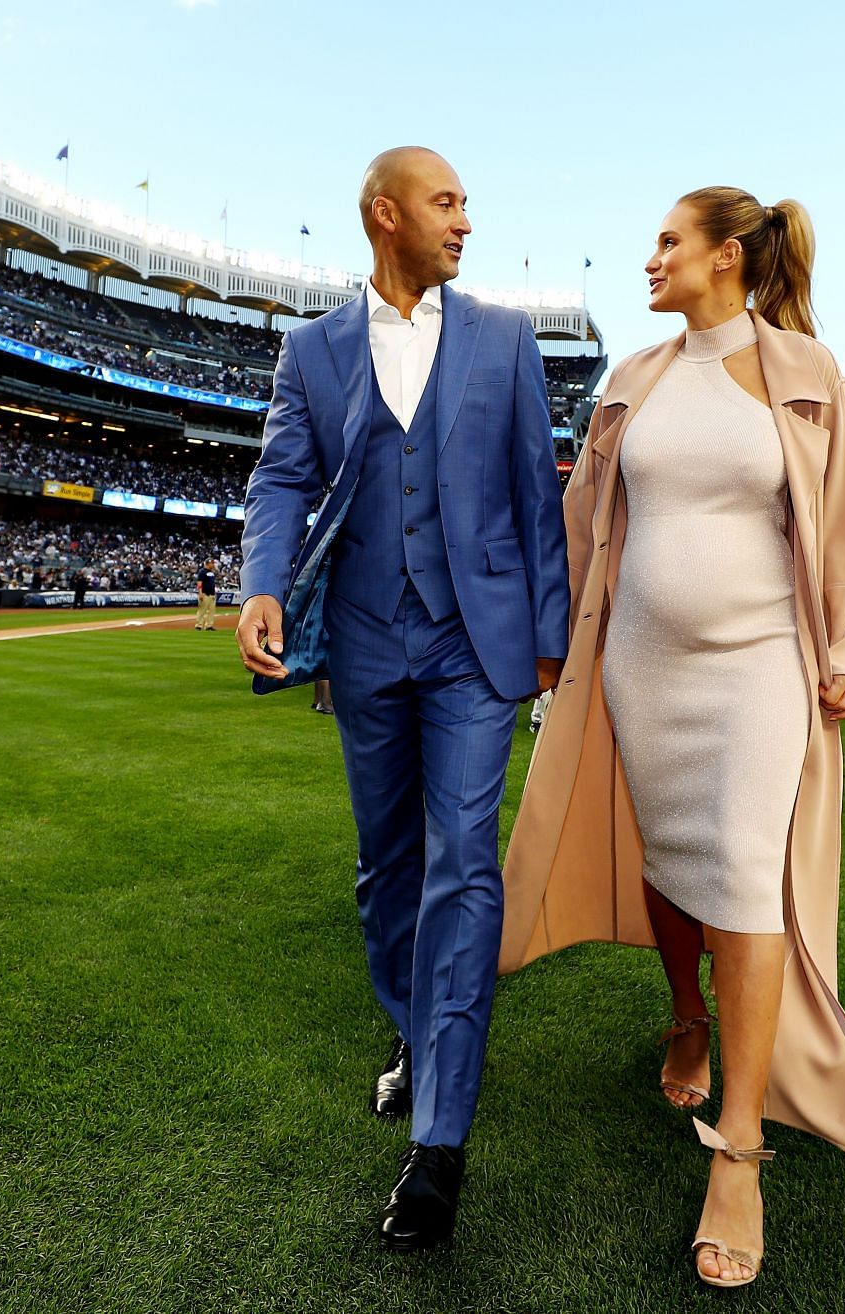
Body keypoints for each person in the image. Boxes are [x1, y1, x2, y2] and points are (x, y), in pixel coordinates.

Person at [501, 187, 845, 1289]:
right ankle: (687, 1019)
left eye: (668, 241)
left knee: (744, 873)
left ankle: (741, 1152)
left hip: (764, 662)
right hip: (639, 663)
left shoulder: (808, 371)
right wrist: (552, 640)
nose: (652, 258)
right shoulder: (632, 377)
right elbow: (583, 516)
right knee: (672, 861)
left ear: (727, 257)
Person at [238, 147, 569, 1251]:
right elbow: (282, 477)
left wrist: (552, 643)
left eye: (468, 202)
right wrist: (262, 586)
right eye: (447, 202)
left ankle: (440, 1142)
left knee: (464, 861)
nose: (466, 221)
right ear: (387, 215)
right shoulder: (311, 350)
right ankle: (412, 1030)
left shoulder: (507, 339)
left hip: (478, 647)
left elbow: (537, 495)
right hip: (367, 647)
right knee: (387, 865)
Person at [193, 558, 219, 630]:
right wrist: (200, 593)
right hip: (205, 594)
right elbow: (199, 583)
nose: (213, 565)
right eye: (212, 563)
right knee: (202, 610)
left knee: (211, 611)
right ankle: (199, 625)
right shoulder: (202, 572)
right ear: (208, 563)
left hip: (212, 594)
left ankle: (209, 625)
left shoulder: (212, 572)